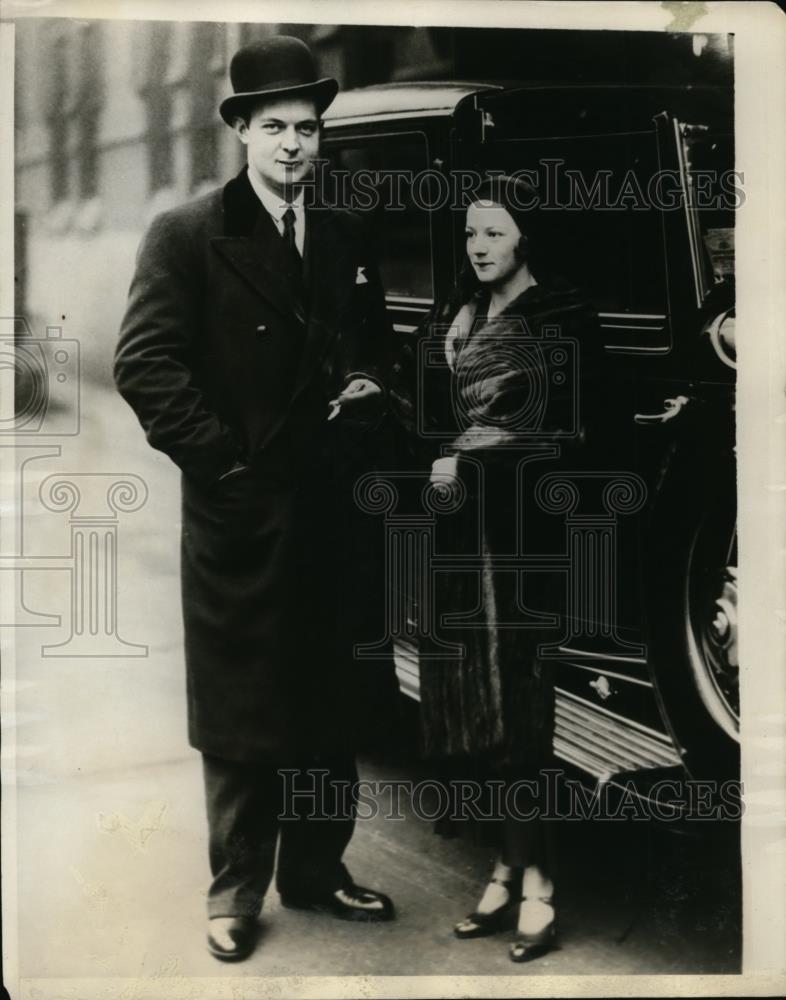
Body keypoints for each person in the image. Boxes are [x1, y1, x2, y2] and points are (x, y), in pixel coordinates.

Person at [114, 36, 394, 963]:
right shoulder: (188, 233)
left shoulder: (346, 235)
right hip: (243, 515)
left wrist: (366, 396)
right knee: (243, 711)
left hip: (331, 515)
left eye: (307, 129)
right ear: (239, 130)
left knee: (330, 701)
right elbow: (146, 365)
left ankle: (316, 872)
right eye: (272, 127)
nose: (291, 147)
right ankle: (234, 893)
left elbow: (374, 354)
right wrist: (227, 468)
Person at [420, 175, 599, 962]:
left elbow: (566, 429)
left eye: (493, 233)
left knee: (523, 708)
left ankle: (541, 888)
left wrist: (470, 458)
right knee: (474, 705)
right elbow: (436, 416)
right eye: (469, 235)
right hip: (465, 538)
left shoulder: (560, 317)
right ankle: (502, 864)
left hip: (525, 537)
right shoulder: (460, 316)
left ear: (526, 238)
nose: (478, 247)